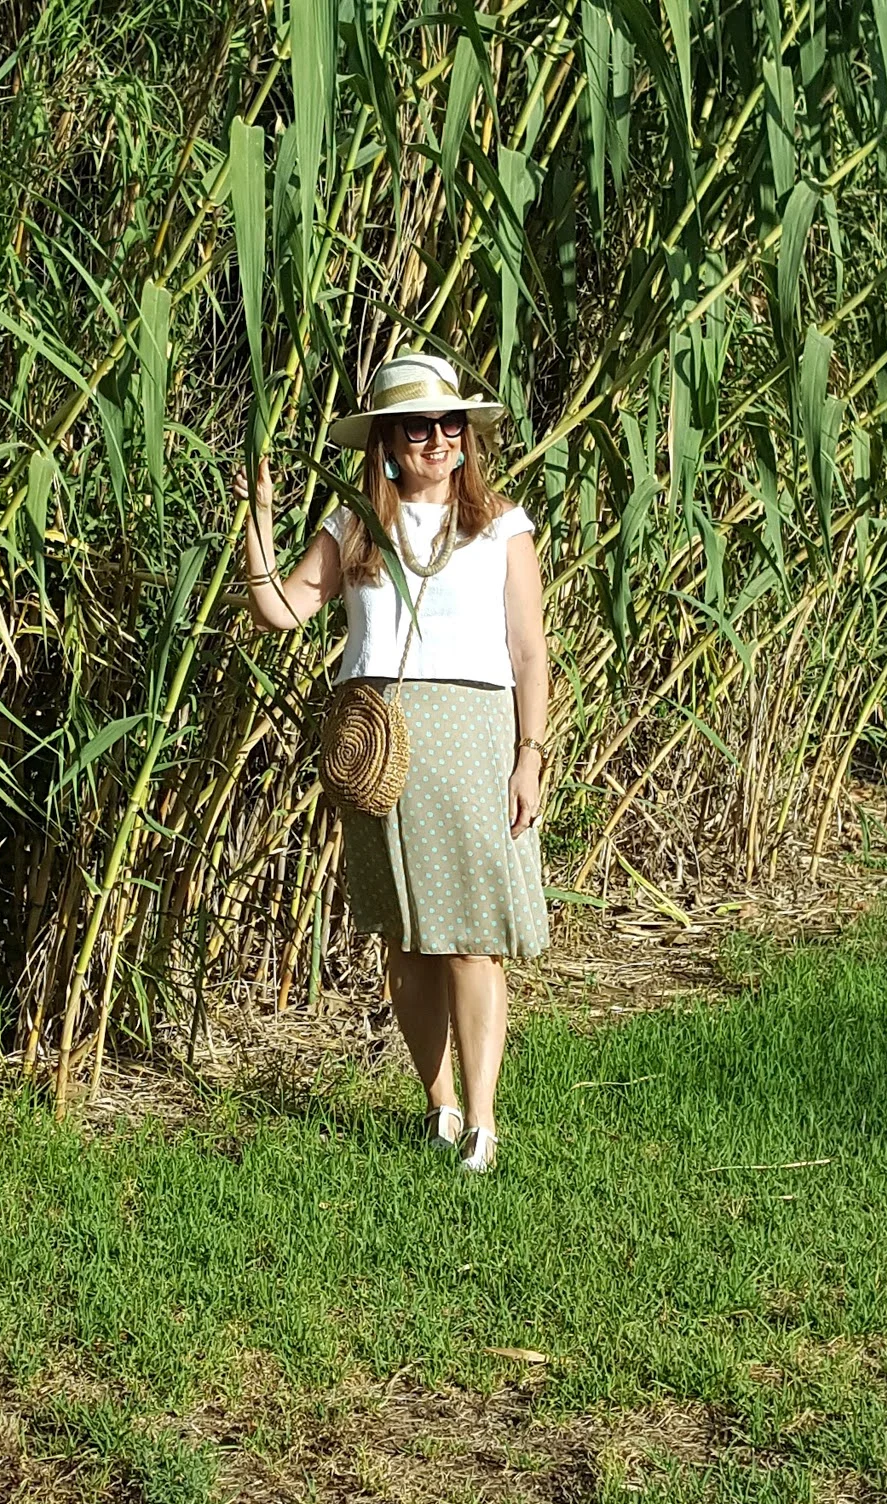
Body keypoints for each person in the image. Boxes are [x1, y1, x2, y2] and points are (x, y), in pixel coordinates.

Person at [233, 349, 549, 1172]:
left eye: (451, 424)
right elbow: (279, 609)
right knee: (405, 936)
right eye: (418, 427)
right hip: (375, 745)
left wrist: (530, 754)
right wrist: (258, 518)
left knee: (472, 938)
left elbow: (528, 652)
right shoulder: (354, 529)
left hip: (474, 736)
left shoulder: (502, 526)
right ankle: (439, 1107)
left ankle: (483, 1123)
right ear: (386, 443)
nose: (439, 439)